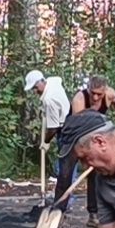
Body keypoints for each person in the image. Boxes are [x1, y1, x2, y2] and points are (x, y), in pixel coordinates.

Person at [70, 75, 115, 224]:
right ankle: (59, 209)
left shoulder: (110, 94)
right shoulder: (79, 100)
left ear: (105, 91)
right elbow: (77, 128)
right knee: (66, 174)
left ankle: (94, 214)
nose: (95, 97)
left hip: (96, 136)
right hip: (74, 135)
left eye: (99, 94)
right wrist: (84, 156)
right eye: (92, 93)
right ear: (88, 88)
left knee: (97, 172)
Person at [25, 69, 73, 208]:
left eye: (35, 88)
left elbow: (53, 128)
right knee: (66, 169)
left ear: (41, 82)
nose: (35, 91)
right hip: (69, 121)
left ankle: (64, 204)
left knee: (64, 170)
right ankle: (64, 201)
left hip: (65, 130)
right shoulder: (53, 82)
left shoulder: (49, 99)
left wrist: (45, 142)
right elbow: (58, 79)